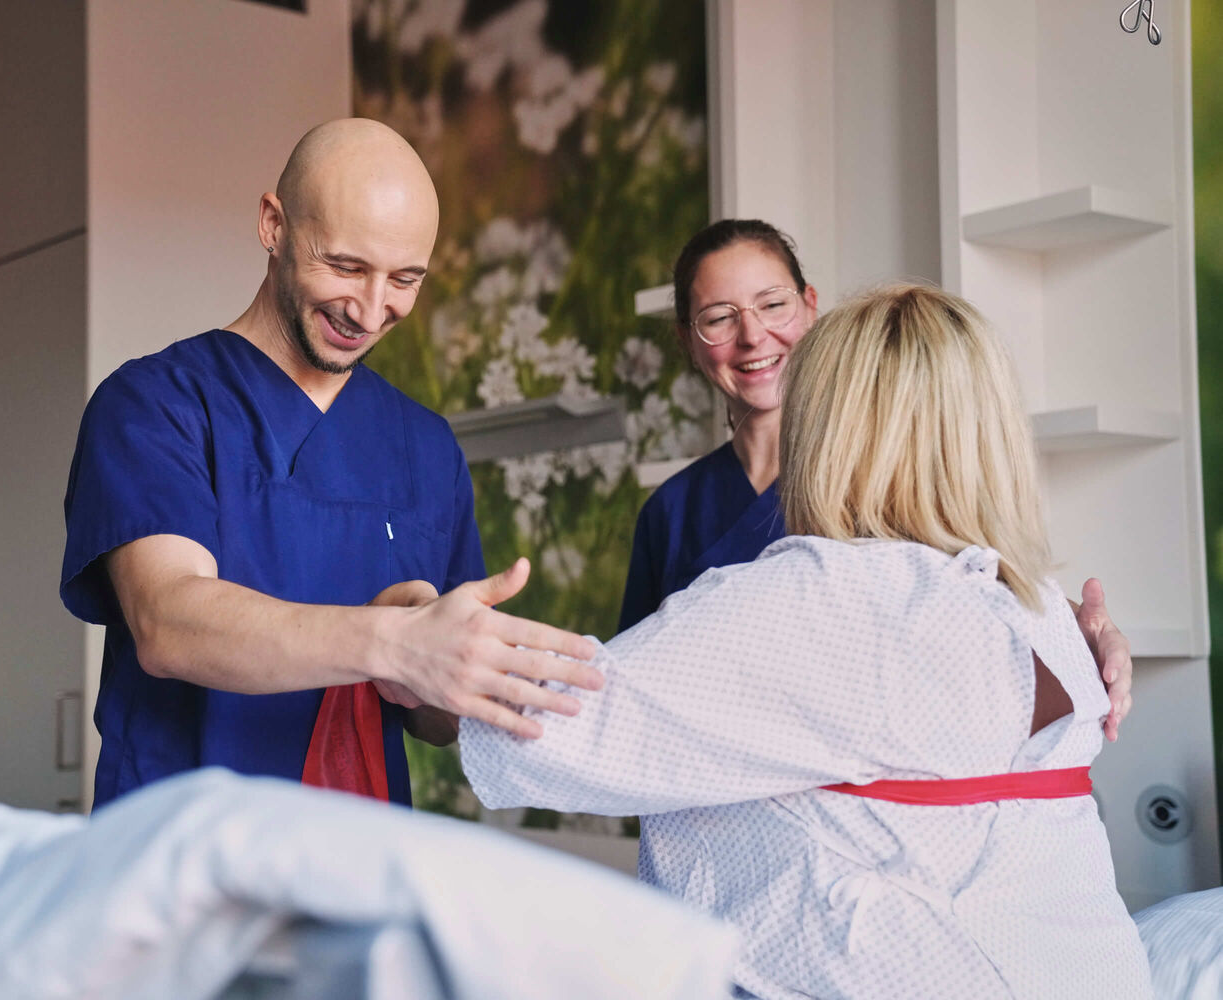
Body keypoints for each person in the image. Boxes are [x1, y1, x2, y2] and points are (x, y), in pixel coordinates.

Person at [462, 284, 1152, 998]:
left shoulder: (821, 596)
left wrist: (405, 631)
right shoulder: (1045, 612)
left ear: (825, 429)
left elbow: (534, 728)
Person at [60, 118, 600, 810]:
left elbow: (434, 723)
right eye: (345, 266)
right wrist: (393, 640)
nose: (371, 310)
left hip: (357, 861)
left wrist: (445, 660)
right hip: (179, 856)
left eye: (404, 279)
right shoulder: (154, 404)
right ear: (273, 224)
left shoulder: (426, 447)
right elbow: (169, 624)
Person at [619, 219, 1133, 739]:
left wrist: (1080, 629)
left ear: (810, 304)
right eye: (719, 318)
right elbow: (628, 691)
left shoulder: (883, 475)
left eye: (773, 304)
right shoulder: (671, 510)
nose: (752, 336)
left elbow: (977, 582)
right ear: (688, 337)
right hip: (713, 791)